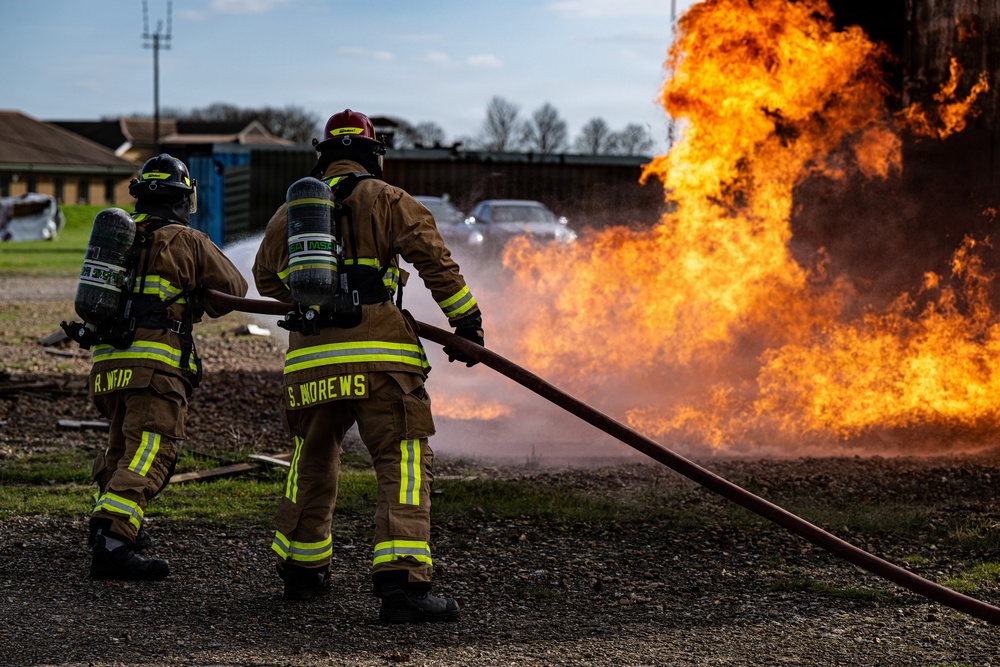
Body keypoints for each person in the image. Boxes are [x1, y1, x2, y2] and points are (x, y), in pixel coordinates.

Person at [253, 109, 484, 623]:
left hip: (312, 363)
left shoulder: (292, 212)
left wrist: (313, 299)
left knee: (310, 461)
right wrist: (466, 325)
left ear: (324, 157)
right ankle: (403, 583)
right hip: (382, 361)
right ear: (373, 155)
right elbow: (434, 262)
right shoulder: (388, 199)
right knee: (400, 462)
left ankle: (301, 569)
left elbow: (265, 277)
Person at [83, 153, 248, 580]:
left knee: (122, 450)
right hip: (154, 367)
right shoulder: (187, 240)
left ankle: (115, 527)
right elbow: (234, 288)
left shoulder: (119, 236)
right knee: (152, 450)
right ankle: (113, 540)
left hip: (108, 366)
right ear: (183, 199)